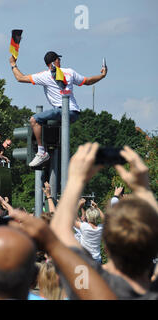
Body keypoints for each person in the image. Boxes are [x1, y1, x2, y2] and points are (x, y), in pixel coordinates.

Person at [50, 142, 158, 299]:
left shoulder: (85, 283)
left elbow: (59, 230)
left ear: (106, 245)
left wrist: (76, 179)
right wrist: (143, 189)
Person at [9, 51, 107, 167]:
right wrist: (102, 75)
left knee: (34, 120)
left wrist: (13, 64)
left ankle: (41, 152)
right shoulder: (69, 72)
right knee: (49, 126)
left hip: (63, 111)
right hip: (74, 112)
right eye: (58, 59)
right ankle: (53, 155)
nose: (60, 61)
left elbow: (20, 78)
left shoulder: (44, 75)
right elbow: (87, 81)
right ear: (54, 61)